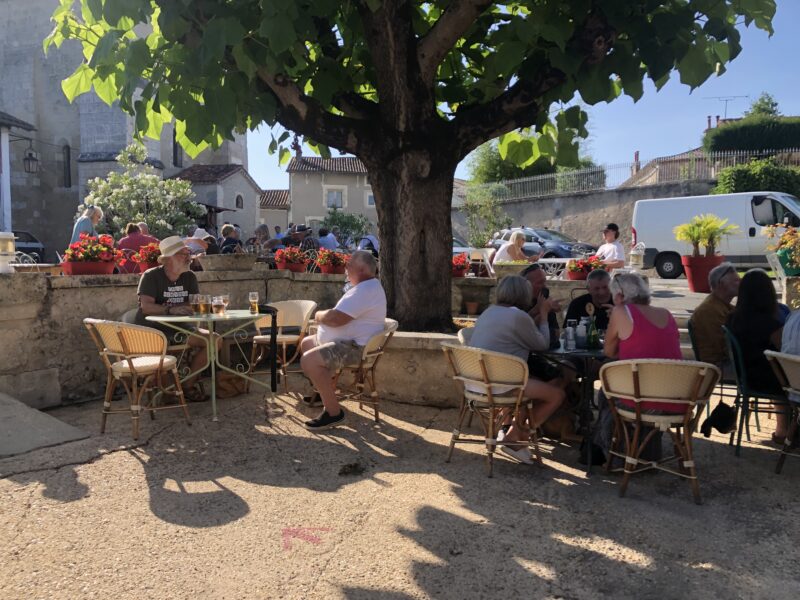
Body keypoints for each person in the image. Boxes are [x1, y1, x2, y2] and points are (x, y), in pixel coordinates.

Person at [469, 275, 565, 464]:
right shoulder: (517, 316)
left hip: (476, 381)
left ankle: (513, 432)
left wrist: (537, 310)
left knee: (542, 381)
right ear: (524, 295)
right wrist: (544, 314)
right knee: (557, 394)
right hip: (504, 385)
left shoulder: (489, 312)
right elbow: (542, 343)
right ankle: (517, 438)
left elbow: (518, 324)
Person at [592, 273, 682, 461]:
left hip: (643, 403)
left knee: (605, 393)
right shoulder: (666, 313)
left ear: (619, 295)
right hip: (677, 401)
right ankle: (644, 450)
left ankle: (613, 450)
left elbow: (609, 352)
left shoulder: (621, 311)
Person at [300, 251, 387, 430]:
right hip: (348, 344)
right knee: (307, 343)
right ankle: (323, 394)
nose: (345, 267)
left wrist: (318, 315)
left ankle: (333, 413)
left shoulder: (365, 290)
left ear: (361, 269)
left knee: (309, 360)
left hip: (355, 349)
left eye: (350, 264)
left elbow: (335, 319)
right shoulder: (364, 287)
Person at [134, 236, 219, 400]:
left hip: (180, 328)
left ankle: (187, 385)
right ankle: (169, 391)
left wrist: (192, 308)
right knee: (168, 394)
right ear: (168, 259)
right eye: (183, 254)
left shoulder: (189, 276)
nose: (189, 257)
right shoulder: (151, 276)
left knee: (214, 340)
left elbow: (194, 303)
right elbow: (146, 306)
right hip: (154, 331)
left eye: (189, 253)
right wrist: (171, 310)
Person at [727, 268, 788, 442]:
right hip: (767, 378)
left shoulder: (733, 318)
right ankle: (784, 431)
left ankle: (785, 429)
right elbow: (785, 349)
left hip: (744, 375)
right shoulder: (770, 324)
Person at [689, 262, 740, 367]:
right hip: (717, 366)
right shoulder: (708, 310)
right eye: (736, 280)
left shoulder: (723, 306)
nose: (740, 283)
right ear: (721, 283)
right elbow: (725, 348)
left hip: (728, 361)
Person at [521, 263, 560, 349]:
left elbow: (556, 334)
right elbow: (522, 331)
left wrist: (544, 310)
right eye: (540, 282)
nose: (544, 286)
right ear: (526, 285)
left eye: (544, 281)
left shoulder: (543, 299)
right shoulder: (516, 303)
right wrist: (541, 311)